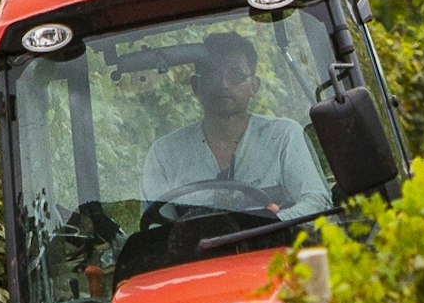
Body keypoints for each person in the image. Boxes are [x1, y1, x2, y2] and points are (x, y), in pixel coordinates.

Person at [136, 30, 329, 220]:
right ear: (196, 86)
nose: (224, 84)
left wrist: (270, 223)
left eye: (236, 75)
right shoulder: (164, 154)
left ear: (254, 85)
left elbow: (316, 202)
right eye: (212, 74)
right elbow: (156, 231)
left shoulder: (283, 136)